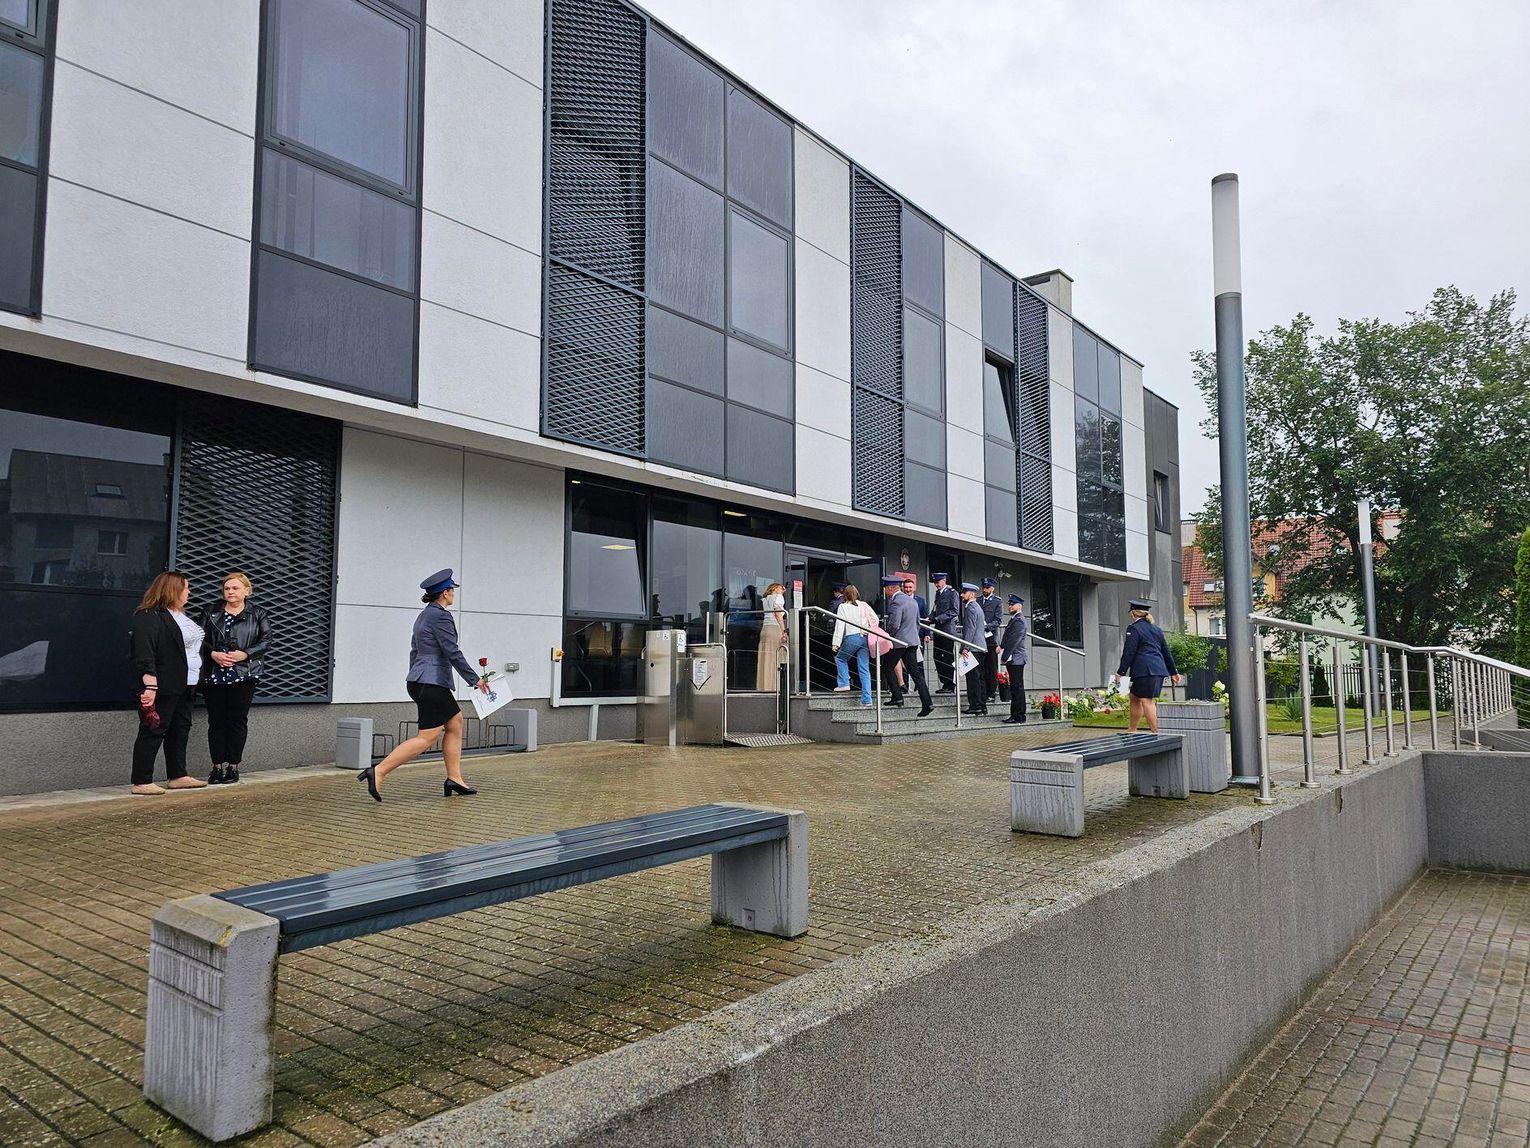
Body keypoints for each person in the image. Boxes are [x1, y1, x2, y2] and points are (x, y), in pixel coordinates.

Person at [358, 569, 491, 801]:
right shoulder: (441, 617)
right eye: (452, 590)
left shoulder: (424, 615)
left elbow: (415, 651)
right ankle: (378, 771)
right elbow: (452, 652)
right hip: (432, 683)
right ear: (445, 593)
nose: (453, 594)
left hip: (420, 680)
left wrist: (416, 676)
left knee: (455, 722)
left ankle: (454, 779)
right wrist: (475, 679)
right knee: (427, 738)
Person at [129, 571, 209, 795]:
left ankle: (178, 775)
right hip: (163, 683)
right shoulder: (149, 615)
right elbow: (144, 651)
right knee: (153, 729)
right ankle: (141, 781)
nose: (189, 592)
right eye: (186, 588)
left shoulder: (180, 615)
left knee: (180, 728)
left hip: (187, 682)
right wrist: (150, 684)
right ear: (172, 590)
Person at [197, 571, 270, 785]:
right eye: (227, 588)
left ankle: (233, 766)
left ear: (247, 590)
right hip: (214, 673)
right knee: (216, 721)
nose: (230, 592)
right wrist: (212, 654)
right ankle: (217, 767)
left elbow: (266, 640)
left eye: (235, 588)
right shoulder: (210, 611)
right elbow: (198, 638)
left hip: (244, 674)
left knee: (237, 721)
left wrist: (245, 654)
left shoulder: (258, 613)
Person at [1115, 597, 1182, 733]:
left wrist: (1120, 672)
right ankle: (1132, 730)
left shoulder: (1133, 628)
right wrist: (1174, 672)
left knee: (1147, 700)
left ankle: (1158, 733)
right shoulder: (1156, 629)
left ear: (1133, 613)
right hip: (1157, 670)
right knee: (1134, 697)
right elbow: (1166, 652)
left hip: (1145, 671)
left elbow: (1129, 652)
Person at [883, 575, 933, 715]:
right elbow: (917, 623)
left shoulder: (896, 602)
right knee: (915, 673)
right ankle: (927, 703)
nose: (885, 591)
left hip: (900, 642)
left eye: (886, 588)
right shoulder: (912, 601)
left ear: (891, 588)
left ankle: (897, 696)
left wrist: (886, 635)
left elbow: (894, 624)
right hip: (912, 641)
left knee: (887, 667)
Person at [831, 584, 876, 706]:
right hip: (865, 637)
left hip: (852, 637)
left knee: (840, 658)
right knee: (864, 668)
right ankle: (867, 699)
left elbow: (840, 625)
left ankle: (844, 683)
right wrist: (867, 629)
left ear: (845, 595)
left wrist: (836, 643)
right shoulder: (864, 605)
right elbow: (875, 620)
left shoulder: (843, 607)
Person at [959, 583, 989, 715]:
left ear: (971, 594)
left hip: (974, 648)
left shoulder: (970, 607)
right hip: (980, 647)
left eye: (964, 592)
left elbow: (970, 629)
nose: (961, 595)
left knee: (973, 679)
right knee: (980, 678)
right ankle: (982, 706)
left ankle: (975, 706)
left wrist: (965, 647)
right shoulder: (977, 607)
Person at [1000, 594, 1030, 724]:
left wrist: (1004, 657)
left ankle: (1018, 716)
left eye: (1012, 604)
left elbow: (1013, 641)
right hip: (1014, 659)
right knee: (1016, 687)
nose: (1010, 606)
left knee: (1017, 688)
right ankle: (1018, 715)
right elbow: (1008, 637)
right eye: (1009, 604)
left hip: (1016, 659)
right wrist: (1001, 646)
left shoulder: (1019, 620)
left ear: (1019, 606)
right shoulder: (1015, 619)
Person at [927, 572, 959, 693]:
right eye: (935, 582)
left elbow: (954, 611)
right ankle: (944, 681)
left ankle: (950, 684)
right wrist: (929, 618)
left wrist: (938, 618)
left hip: (947, 630)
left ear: (944, 580)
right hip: (938, 630)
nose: (936, 584)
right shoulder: (938, 593)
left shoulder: (952, 593)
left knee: (947, 657)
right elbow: (935, 609)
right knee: (937, 656)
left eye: (938, 582)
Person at [756, 582, 788, 691]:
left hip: (765, 629)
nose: (783, 590)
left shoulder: (765, 599)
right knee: (776, 658)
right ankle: (775, 686)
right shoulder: (778, 597)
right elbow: (778, 614)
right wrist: (784, 631)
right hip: (775, 628)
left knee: (766, 658)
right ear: (774, 588)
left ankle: (764, 686)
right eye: (781, 588)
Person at [979, 577, 1003, 702]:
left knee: (991, 668)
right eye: (983, 587)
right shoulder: (978, 600)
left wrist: (985, 627)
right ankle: (982, 692)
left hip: (991, 639)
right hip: (978, 639)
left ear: (992, 588)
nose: (984, 589)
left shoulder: (997, 602)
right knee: (981, 668)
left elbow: (997, 621)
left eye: (987, 587)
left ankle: (991, 693)